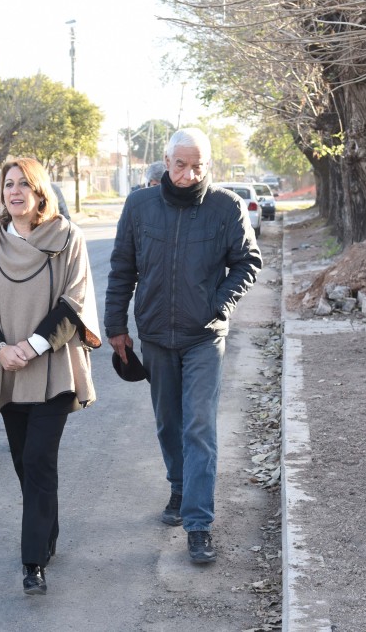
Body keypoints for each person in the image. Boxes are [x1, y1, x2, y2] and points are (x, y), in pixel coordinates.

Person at [104, 128, 262, 565]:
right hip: (155, 334)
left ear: (208, 164)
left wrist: (218, 304)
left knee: (199, 427)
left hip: (203, 336)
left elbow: (248, 261)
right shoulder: (139, 205)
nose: (189, 174)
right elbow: (122, 269)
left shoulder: (225, 207)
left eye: (197, 166)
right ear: (166, 161)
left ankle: (198, 523)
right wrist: (116, 327)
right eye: (180, 165)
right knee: (167, 422)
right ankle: (178, 485)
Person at [0, 157, 101, 596]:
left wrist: (32, 346)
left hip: (52, 367)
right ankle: (48, 530)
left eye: (25, 184)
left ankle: (32, 563)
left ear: (41, 191)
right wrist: (2, 349)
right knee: (25, 463)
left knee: (40, 459)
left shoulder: (67, 238)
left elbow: (74, 301)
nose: (15, 191)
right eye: (9, 184)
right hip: (5, 368)